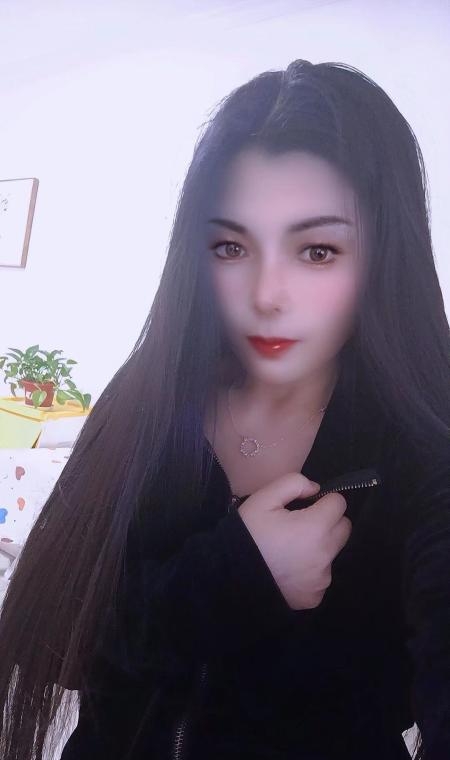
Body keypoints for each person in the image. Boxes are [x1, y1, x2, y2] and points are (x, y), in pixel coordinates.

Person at [0, 59, 448, 760]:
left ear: (383, 260)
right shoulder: (148, 396)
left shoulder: (420, 444)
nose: (265, 294)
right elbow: (50, 643)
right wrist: (234, 575)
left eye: (317, 250)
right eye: (232, 246)